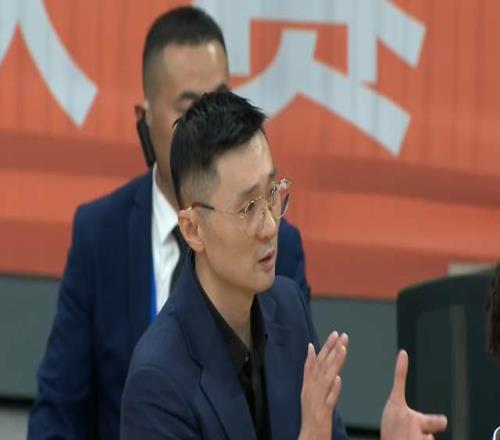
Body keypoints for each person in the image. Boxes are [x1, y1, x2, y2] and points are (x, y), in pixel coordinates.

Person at [28, 7, 309, 440]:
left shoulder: (278, 249)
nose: (207, 125)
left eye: (219, 100)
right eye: (189, 108)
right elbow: (58, 414)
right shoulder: (99, 234)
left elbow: (314, 411)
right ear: (144, 118)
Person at [121, 91, 448, 440]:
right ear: (193, 230)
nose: (270, 226)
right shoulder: (157, 381)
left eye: (272, 194)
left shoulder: (288, 307)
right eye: (248, 208)